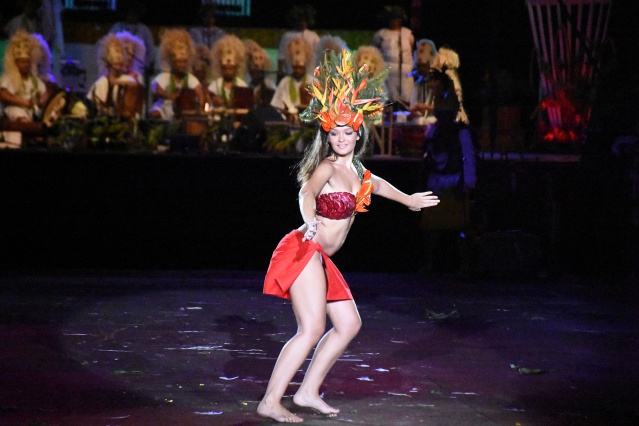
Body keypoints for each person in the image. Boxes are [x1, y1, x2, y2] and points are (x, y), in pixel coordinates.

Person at [257, 49, 440, 423]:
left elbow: (378, 185)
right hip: (303, 249)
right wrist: (309, 219)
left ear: (358, 133)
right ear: (328, 136)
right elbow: (306, 193)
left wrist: (409, 200)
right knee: (312, 328)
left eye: (347, 132)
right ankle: (270, 401)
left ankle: (307, 392)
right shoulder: (326, 167)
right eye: (335, 132)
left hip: (320, 259)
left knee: (348, 324)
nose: (341, 138)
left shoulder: (358, 174)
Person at [418, 67, 476, 273]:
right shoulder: (432, 131)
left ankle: (465, 265)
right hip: (436, 185)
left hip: (455, 183)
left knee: (461, 229)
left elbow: (468, 158)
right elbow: (427, 156)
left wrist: (467, 183)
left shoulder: (461, 133)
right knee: (430, 229)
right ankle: (429, 264)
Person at [148, 28, 204, 120]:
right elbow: (155, 88)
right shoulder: (166, 76)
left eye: (184, 62)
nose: (182, 65)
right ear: (172, 61)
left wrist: (199, 105)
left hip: (184, 110)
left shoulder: (190, 78)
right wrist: (170, 96)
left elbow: (199, 91)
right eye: (178, 62)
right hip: (165, 107)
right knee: (154, 113)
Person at [86, 33, 140, 117]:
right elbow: (92, 104)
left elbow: (135, 85)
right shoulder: (102, 82)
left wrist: (115, 82)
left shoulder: (128, 79)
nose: (118, 57)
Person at [0, 29, 49, 123]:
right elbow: (3, 94)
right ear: (16, 62)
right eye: (22, 62)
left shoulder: (34, 80)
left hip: (31, 112)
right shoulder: (9, 77)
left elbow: (44, 94)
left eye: (27, 62)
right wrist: (22, 102)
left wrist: (41, 101)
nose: (25, 65)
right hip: (14, 109)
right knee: (17, 112)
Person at [372, 5, 415, 104]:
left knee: (406, 100)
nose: (395, 22)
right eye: (392, 19)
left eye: (397, 19)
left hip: (405, 74)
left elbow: (412, 50)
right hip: (388, 73)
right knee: (389, 99)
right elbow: (375, 51)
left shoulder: (407, 34)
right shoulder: (381, 34)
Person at [270, 37, 314, 122]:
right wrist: (287, 113)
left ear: (305, 67)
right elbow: (276, 105)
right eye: (295, 68)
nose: (297, 71)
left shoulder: (312, 81)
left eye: (300, 68)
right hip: (287, 120)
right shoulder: (285, 82)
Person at [108, 0, 156, 75]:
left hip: (139, 70)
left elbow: (150, 51)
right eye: (130, 12)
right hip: (119, 68)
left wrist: (149, 65)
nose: (132, 15)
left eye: (134, 12)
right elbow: (108, 46)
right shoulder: (117, 27)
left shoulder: (144, 29)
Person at [277, 5, 320, 83]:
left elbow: (320, 54)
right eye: (299, 20)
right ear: (294, 20)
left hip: (309, 76)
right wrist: (280, 73)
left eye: (304, 20)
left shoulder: (313, 36)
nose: (302, 23)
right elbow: (281, 56)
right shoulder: (287, 36)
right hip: (290, 75)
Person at [208, 34, 248, 109]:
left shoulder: (242, 86)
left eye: (231, 67)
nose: (228, 64)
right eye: (225, 67)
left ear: (237, 65)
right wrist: (213, 101)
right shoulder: (215, 86)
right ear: (220, 65)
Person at [408, 38, 437, 124]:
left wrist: (425, 108)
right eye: (419, 66)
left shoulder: (438, 82)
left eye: (423, 65)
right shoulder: (418, 84)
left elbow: (444, 109)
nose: (421, 69)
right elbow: (413, 106)